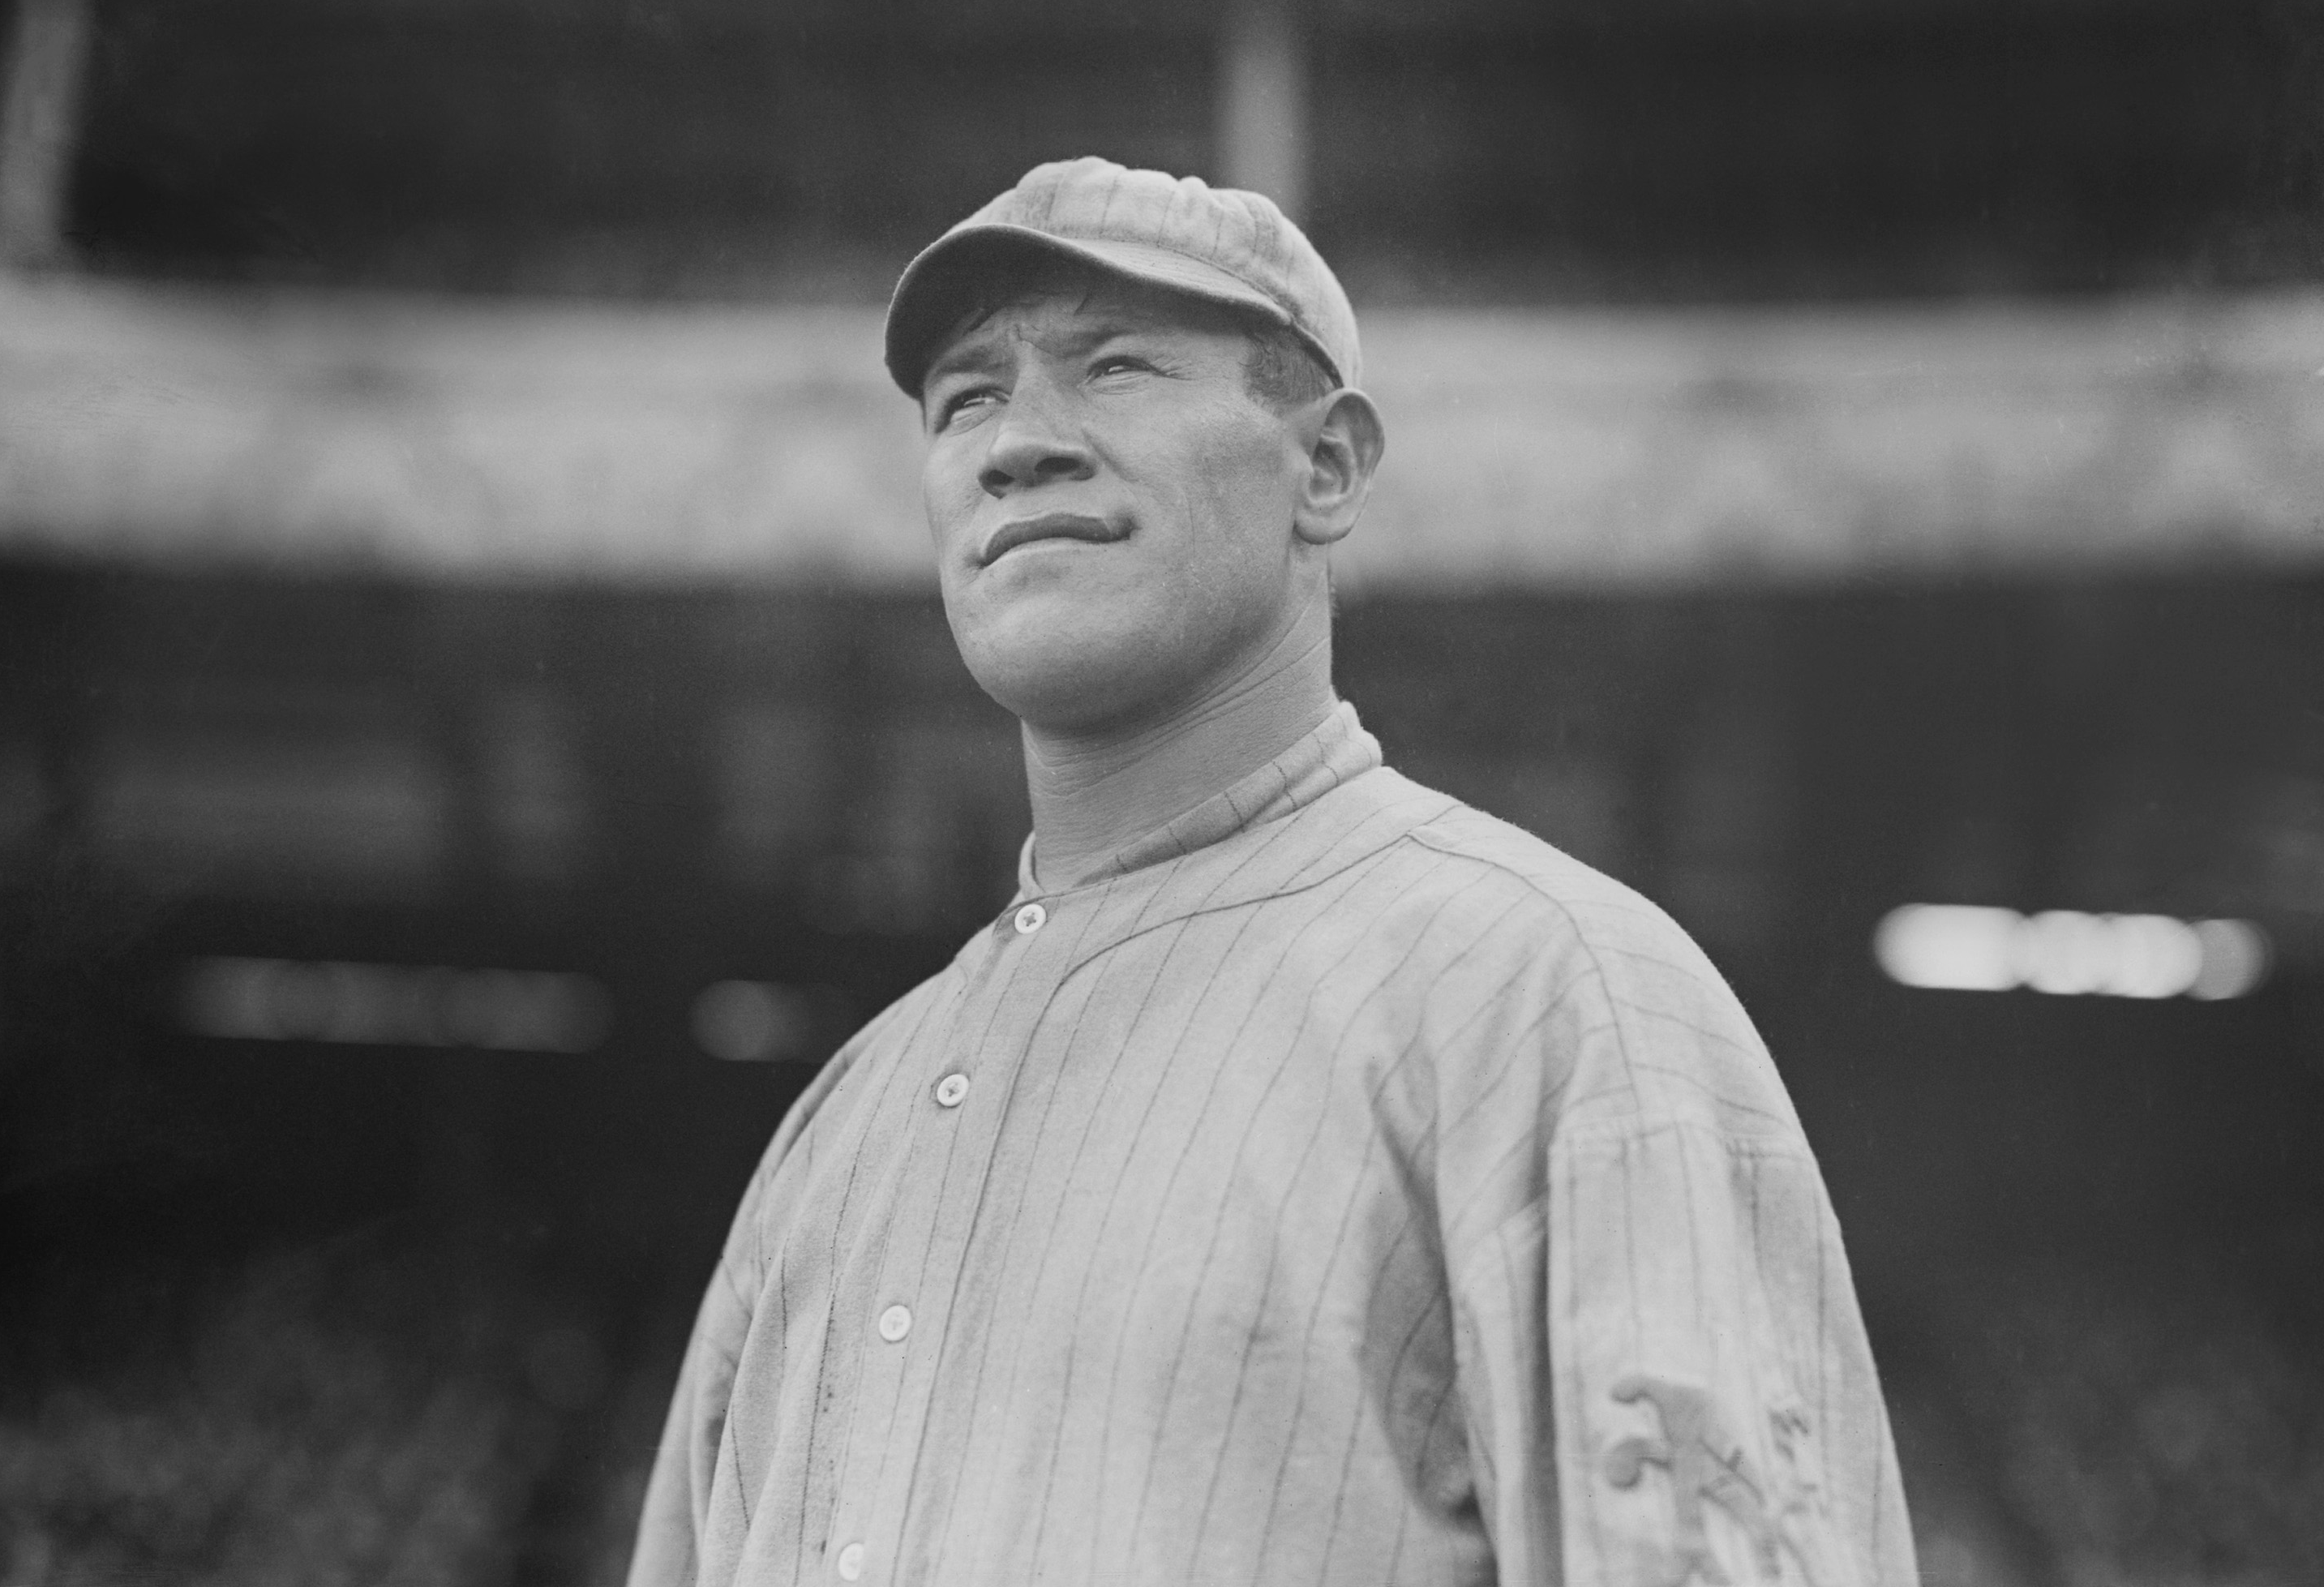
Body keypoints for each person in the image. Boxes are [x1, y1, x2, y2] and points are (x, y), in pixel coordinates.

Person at [628, 157, 1918, 1587]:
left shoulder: (1555, 991)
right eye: (966, 399)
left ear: (1329, 465)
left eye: (1114, 368)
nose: (1016, 444)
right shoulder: (843, 1122)